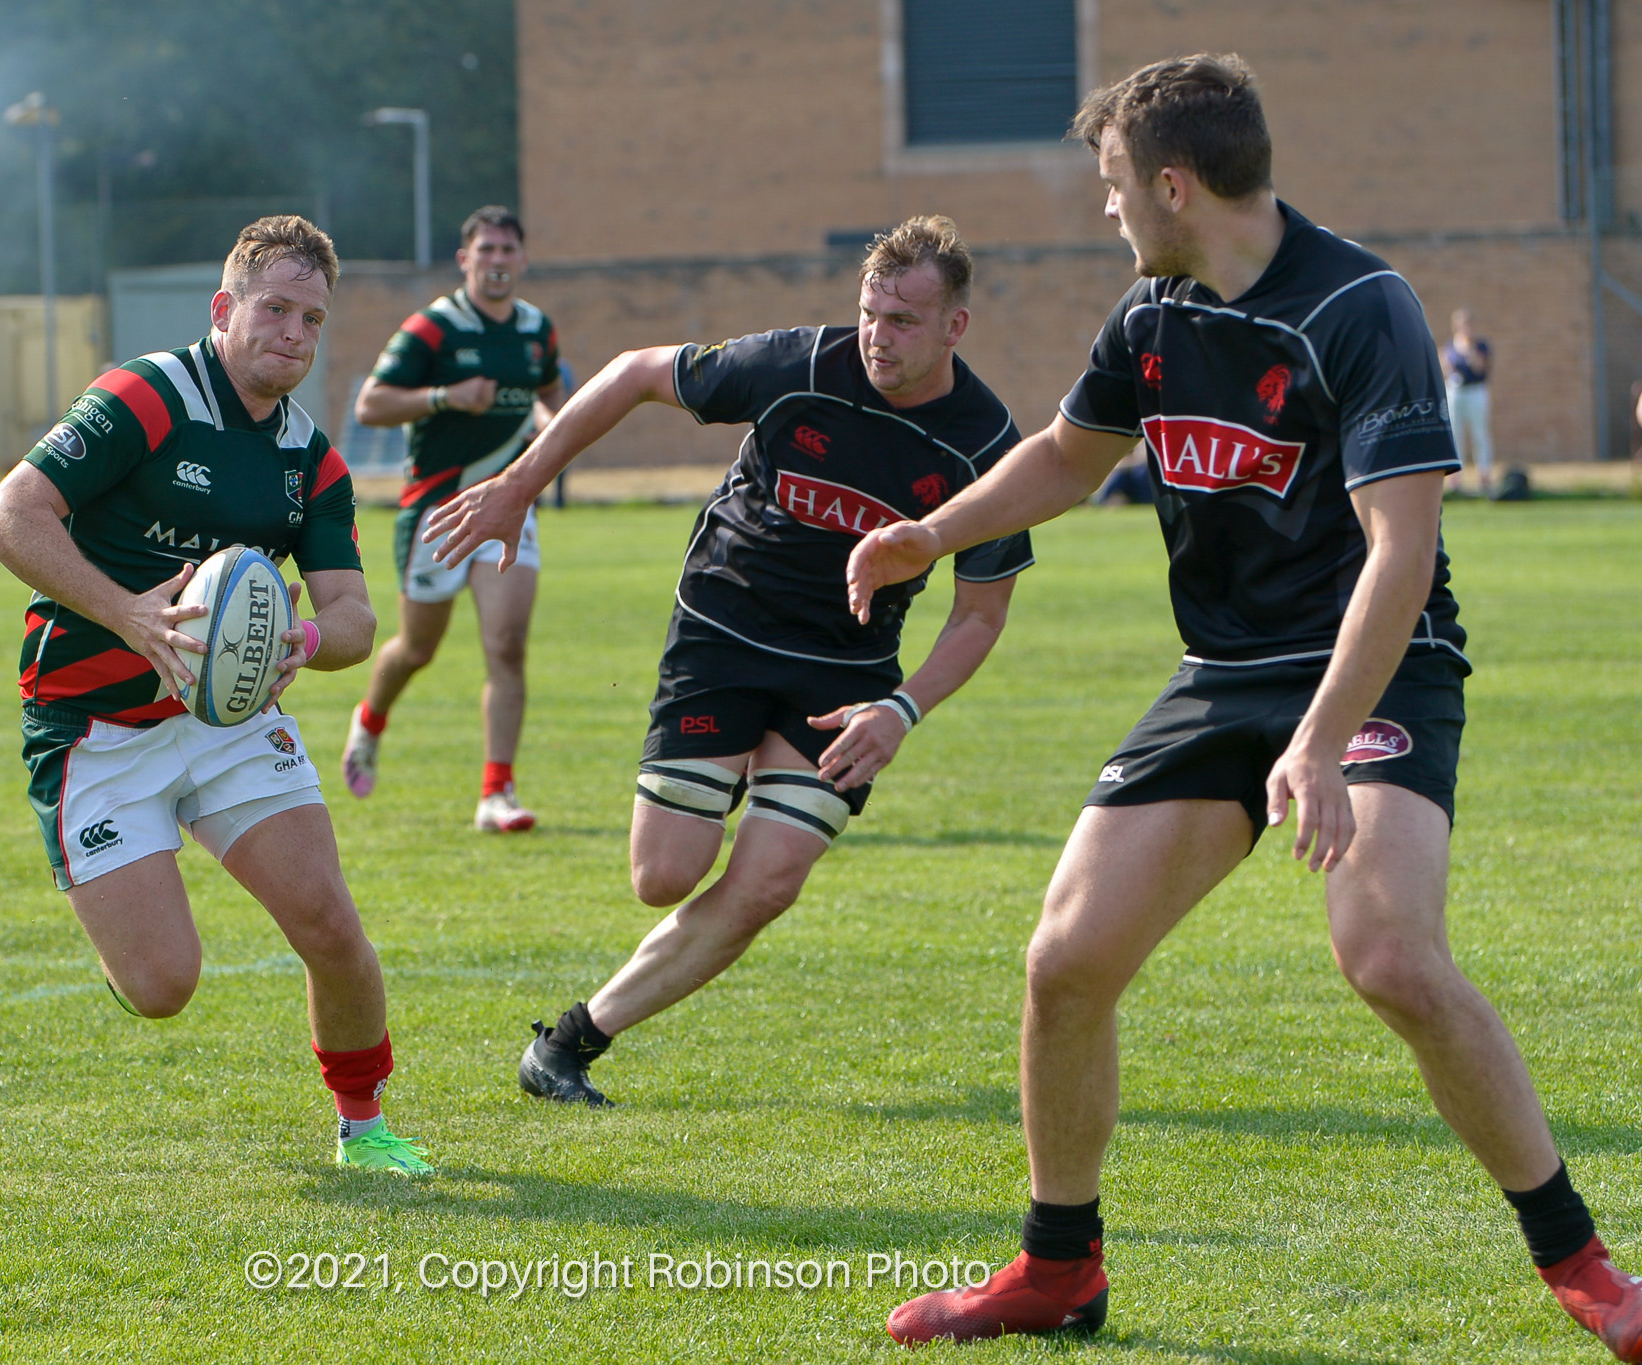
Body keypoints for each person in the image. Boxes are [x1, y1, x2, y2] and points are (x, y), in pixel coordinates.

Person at [848, 58, 1639, 1357]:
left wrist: (1322, 742)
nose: (1107, 212)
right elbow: (1066, 453)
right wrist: (929, 534)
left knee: (1388, 955)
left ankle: (1587, 1266)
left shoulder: (1359, 307)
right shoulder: (1151, 312)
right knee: (1066, 961)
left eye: (1114, 188)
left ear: (1172, 183)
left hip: (1377, 663)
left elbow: (1400, 550)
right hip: (1223, 675)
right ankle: (1060, 1267)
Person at [424, 216, 1033, 1107]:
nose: (879, 335)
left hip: (847, 671)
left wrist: (900, 711)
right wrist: (519, 483)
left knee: (767, 880)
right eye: (870, 311)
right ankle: (730, 770)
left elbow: (982, 614)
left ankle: (568, 1044)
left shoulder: (983, 445)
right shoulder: (793, 366)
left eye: (904, 320)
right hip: (726, 628)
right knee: (663, 874)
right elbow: (634, 372)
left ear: (955, 327)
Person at [0, 216, 433, 1176]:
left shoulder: (313, 462)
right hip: (93, 726)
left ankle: (366, 1124)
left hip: (225, 717)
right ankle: (116, 916)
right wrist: (131, 616)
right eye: (275, 309)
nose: (294, 334)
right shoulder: (144, 396)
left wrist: (296, 642)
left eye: (312, 318)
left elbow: (353, 616)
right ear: (224, 309)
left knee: (330, 922)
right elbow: (7, 515)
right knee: (162, 987)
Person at [342, 205, 567, 832]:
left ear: (522, 259)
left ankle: (497, 793)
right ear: (465, 259)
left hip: (508, 510)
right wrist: (445, 397)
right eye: (485, 250)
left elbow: (549, 392)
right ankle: (370, 722)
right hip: (438, 514)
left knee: (508, 647)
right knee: (418, 648)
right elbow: (370, 405)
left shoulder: (535, 329)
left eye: (507, 250)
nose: (497, 261)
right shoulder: (433, 330)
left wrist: (553, 428)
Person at [1442, 307, 1494, 497]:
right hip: (1456, 391)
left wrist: (1470, 351)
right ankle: (1455, 478)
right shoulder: (1450, 346)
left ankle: (1484, 475)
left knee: (1479, 433)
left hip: (1476, 391)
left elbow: (1482, 368)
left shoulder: (1480, 345)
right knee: (1455, 434)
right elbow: (1445, 369)